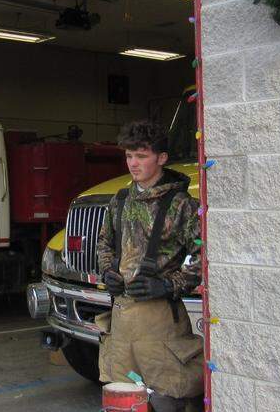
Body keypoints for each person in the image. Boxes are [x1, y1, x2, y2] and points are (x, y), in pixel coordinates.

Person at [95, 119, 204, 412]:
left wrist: (169, 284)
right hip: (122, 321)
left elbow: (204, 255)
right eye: (129, 156)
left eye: (141, 156)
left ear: (161, 158)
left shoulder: (181, 205)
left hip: (162, 324)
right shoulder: (119, 201)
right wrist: (108, 272)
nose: (133, 163)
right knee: (122, 397)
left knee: (168, 399)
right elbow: (104, 244)